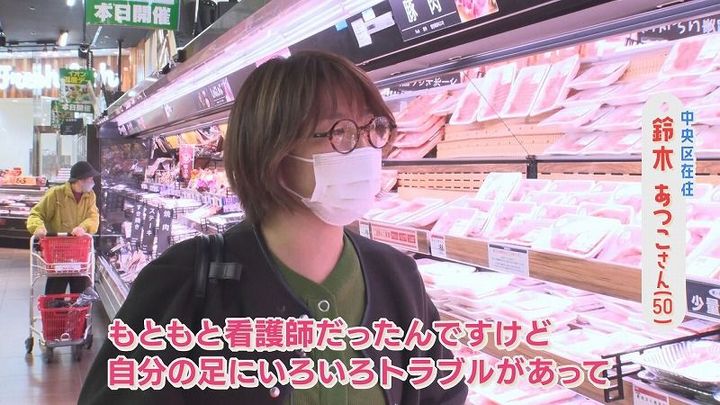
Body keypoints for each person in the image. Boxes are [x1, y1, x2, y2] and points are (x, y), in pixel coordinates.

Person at [79, 51, 468, 404]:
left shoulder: (397, 278)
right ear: (274, 152)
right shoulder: (183, 280)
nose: (366, 150)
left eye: (374, 129)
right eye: (341, 132)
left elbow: (444, 395)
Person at [27, 161, 100, 294]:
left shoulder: (90, 196)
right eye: (90, 179)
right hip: (57, 253)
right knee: (55, 291)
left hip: (80, 253)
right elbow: (35, 214)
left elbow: (93, 217)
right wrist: (38, 227)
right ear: (80, 180)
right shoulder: (55, 194)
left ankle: (77, 308)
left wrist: (83, 227)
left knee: (80, 293)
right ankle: (54, 306)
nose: (93, 182)